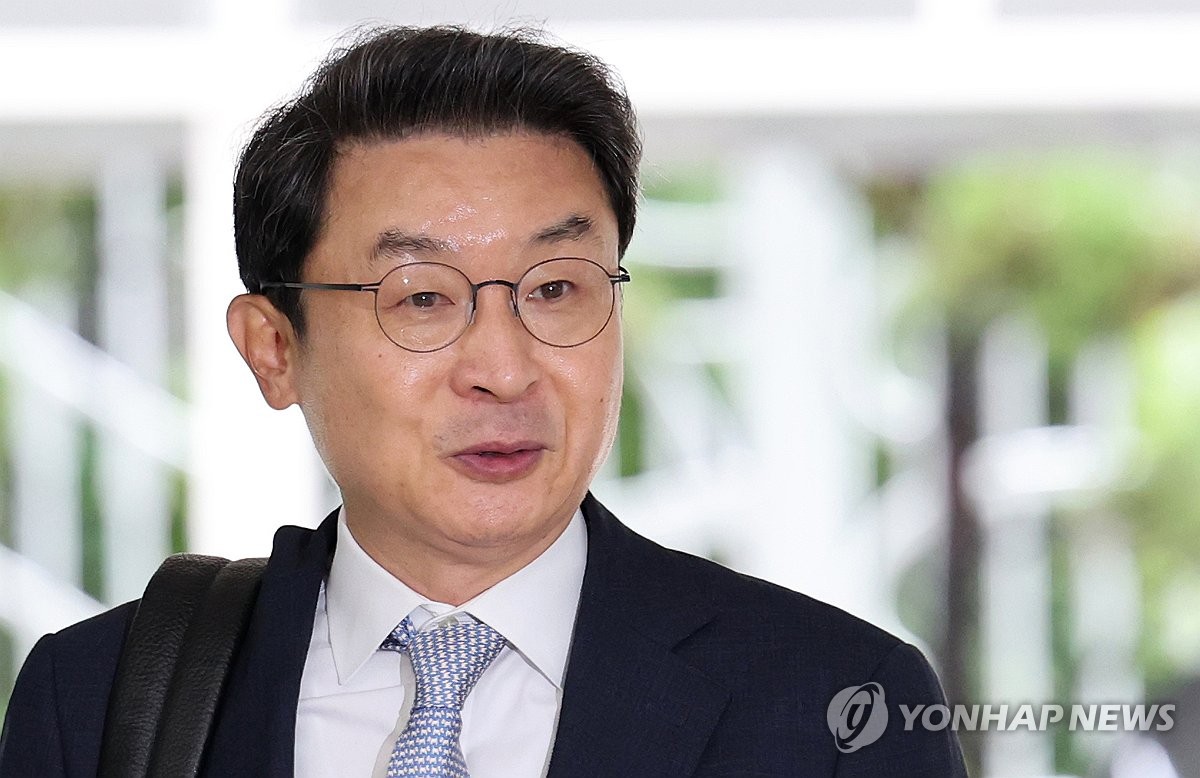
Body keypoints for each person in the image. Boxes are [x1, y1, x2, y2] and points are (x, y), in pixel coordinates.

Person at [0, 25, 967, 777]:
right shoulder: (95, 702)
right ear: (274, 349)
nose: (504, 369)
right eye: (422, 298)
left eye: (557, 288)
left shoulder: (837, 707)